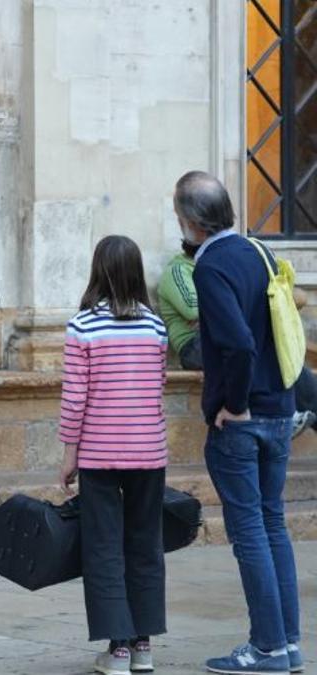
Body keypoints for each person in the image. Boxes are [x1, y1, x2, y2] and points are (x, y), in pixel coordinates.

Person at [174, 171, 302, 675]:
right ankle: (287, 645)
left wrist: (234, 403)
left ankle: (267, 648)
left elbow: (240, 344)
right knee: (273, 526)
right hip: (280, 410)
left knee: (250, 531)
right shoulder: (259, 252)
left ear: (190, 221)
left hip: (246, 420)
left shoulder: (211, 266)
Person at [58, 235, 169, 675]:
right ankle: (143, 646)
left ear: (98, 271)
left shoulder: (83, 326)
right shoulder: (156, 326)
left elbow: (75, 399)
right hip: (149, 452)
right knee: (146, 545)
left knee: (103, 548)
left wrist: (69, 454)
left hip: (99, 453)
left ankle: (117, 650)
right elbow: (155, 388)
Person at [158, 239, 317, 437]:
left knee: (280, 354)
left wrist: (226, 309)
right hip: (195, 345)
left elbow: (281, 297)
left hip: (229, 334)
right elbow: (192, 309)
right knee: (252, 346)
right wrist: (233, 308)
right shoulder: (179, 270)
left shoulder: (225, 266)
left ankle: (288, 413)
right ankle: (283, 415)